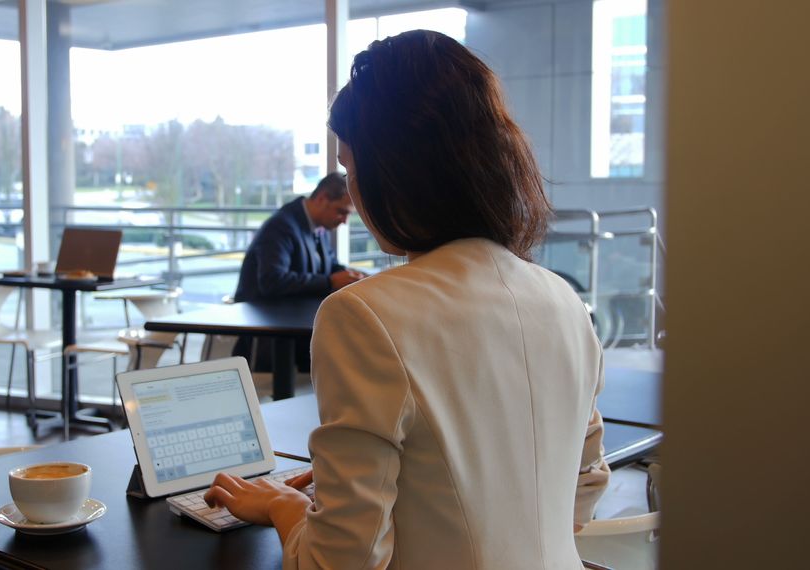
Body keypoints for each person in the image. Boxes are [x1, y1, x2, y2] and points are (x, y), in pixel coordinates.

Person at [204, 29, 610, 569]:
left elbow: (341, 562)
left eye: (352, 168)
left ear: (394, 170)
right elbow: (584, 482)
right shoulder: (562, 299)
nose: (355, 192)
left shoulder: (364, 315)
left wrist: (284, 505)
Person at [233, 173, 364, 303]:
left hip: (291, 314)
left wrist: (357, 277)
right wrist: (329, 282)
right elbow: (272, 281)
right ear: (321, 199)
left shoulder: (319, 225)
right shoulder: (280, 226)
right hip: (264, 317)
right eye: (341, 212)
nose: (345, 221)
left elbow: (330, 266)